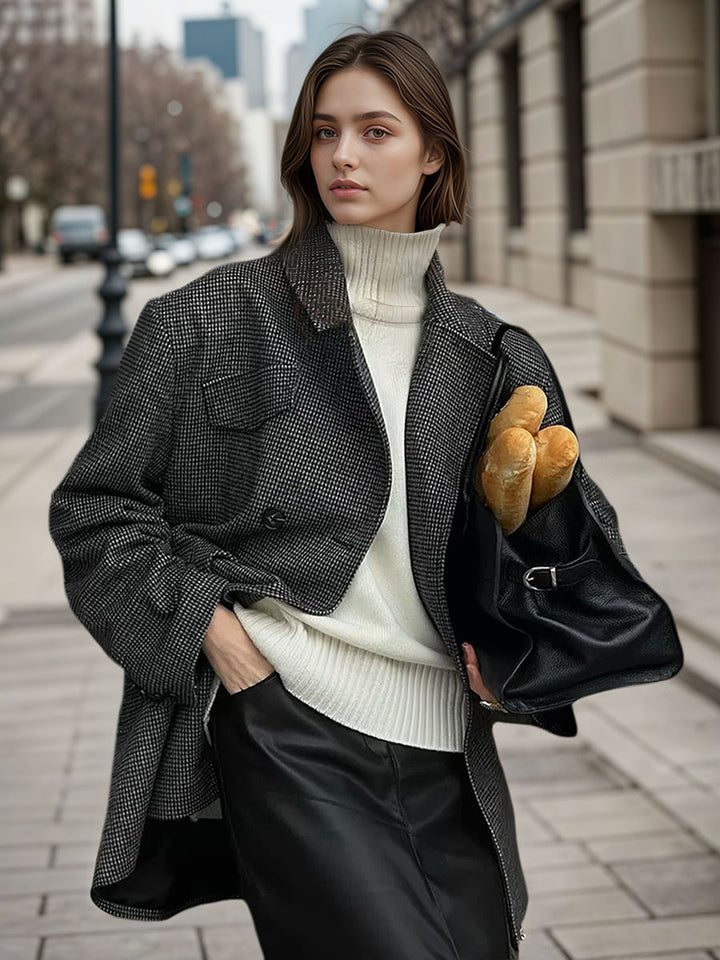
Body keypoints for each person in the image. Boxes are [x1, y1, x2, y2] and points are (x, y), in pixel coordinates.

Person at [48, 28, 622, 960]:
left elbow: (565, 545)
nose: (343, 156)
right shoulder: (207, 321)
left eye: (375, 131)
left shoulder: (491, 352)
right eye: (324, 132)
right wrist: (224, 643)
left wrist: (522, 655)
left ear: (434, 150)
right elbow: (96, 510)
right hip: (290, 728)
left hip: (448, 744)